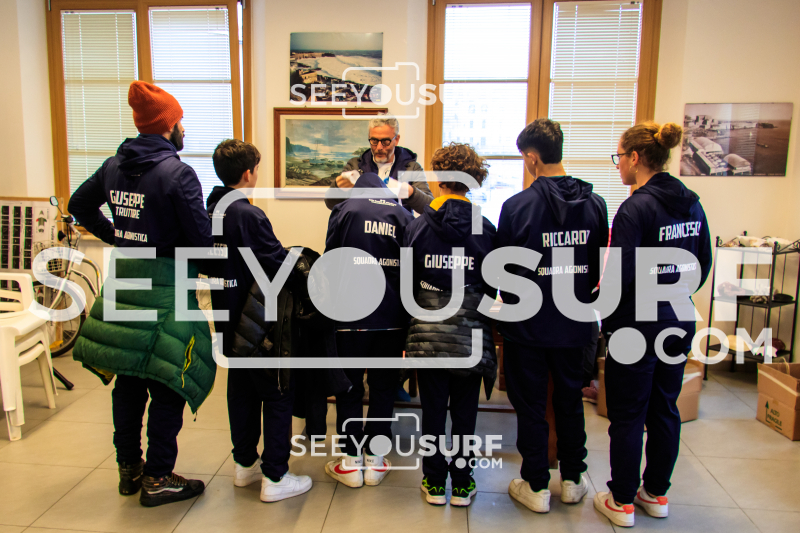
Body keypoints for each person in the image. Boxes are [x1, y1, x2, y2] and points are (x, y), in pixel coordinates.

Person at [69, 81, 214, 507]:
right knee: (167, 381)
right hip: (165, 285)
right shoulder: (178, 173)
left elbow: (79, 204)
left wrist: (118, 237)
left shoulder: (114, 166)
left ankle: (129, 469)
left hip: (126, 281)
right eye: (181, 120)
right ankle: (158, 477)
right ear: (169, 125)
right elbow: (201, 240)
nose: (183, 127)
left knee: (130, 379)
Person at [593, 122, 712, 528]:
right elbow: (703, 263)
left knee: (628, 413)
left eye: (619, 158)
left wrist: (604, 319)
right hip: (678, 317)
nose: (618, 166)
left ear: (635, 157)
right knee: (664, 408)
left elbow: (620, 274)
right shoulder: (692, 204)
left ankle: (622, 500)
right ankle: (656, 493)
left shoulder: (636, 207)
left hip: (637, 326)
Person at [496, 118, 609, 513]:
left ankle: (536, 485)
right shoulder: (596, 204)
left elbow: (503, 269)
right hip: (576, 321)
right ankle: (574, 480)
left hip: (528, 324)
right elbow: (597, 263)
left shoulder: (517, 207)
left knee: (530, 406)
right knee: (570, 400)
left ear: (532, 158)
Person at [205, 139, 313, 503]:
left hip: (225, 316)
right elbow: (277, 264)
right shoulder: (247, 214)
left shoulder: (210, 211)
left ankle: (244, 465)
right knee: (277, 393)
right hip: (258, 322)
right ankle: (275, 476)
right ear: (249, 173)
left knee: (241, 392)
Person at [403, 143, 497, 507]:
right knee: (464, 414)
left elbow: (407, 286)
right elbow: (492, 287)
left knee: (432, 412)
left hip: (427, 333)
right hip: (469, 335)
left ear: (438, 178)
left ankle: (432, 481)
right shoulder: (486, 229)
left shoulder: (416, 227)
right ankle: (461, 483)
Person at [323, 172, 414, 488]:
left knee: (349, 386)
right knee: (383, 386)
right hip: (392, 317)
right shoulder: (403, 215)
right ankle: (376, 460)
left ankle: (350, 461)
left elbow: (330, 260)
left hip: (350, 315)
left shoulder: (344, 210)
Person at [324, 116, 433, 215]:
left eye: (385, 141)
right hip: (361, 228)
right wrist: (338, 188)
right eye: (374, 141)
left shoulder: (411, 168)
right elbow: (330, 204)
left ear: (396, 139)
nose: (379, 147)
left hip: (398, 229)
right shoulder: (355, 166)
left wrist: (411, 193)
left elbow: (431, 208)